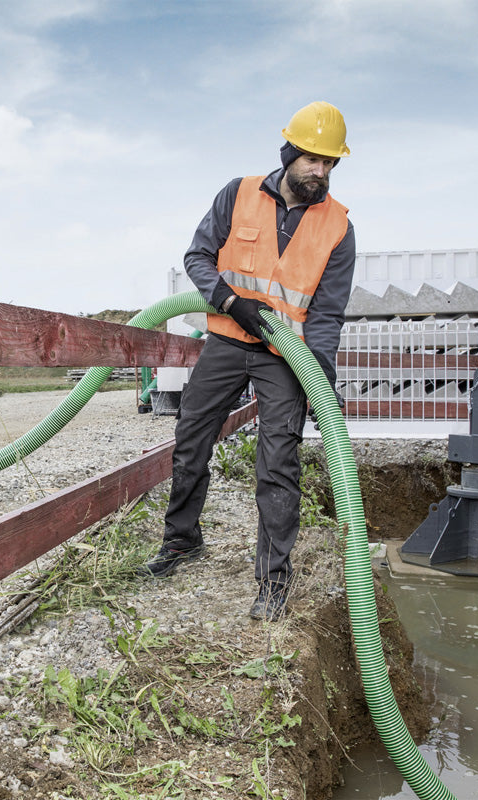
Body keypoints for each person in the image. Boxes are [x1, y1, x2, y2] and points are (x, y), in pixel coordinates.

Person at [144, 100, 356, 621]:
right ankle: (182, 540)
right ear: (288, 153)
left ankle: (273, 580)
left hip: (286, 356)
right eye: (312, 159)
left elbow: (326, 315)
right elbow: (198, 256)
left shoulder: (338, 228)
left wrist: (319, 381)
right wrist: (231, 301)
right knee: (191, 438)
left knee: (278, 463)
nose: (320, 171)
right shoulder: (237, 194)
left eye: (329, 163)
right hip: (227, 338)